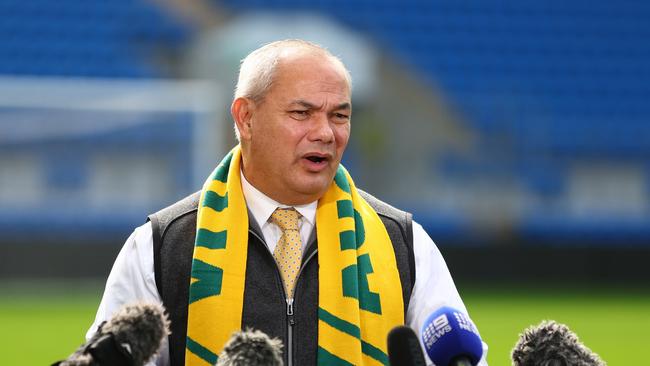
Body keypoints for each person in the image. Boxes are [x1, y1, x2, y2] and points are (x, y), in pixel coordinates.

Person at [87, 39, 488, 366]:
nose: (326, 133)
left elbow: (463, 357)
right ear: (245, 118)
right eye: (302, 113)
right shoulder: (160, 246)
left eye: (339, 116)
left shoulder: (405, 243)